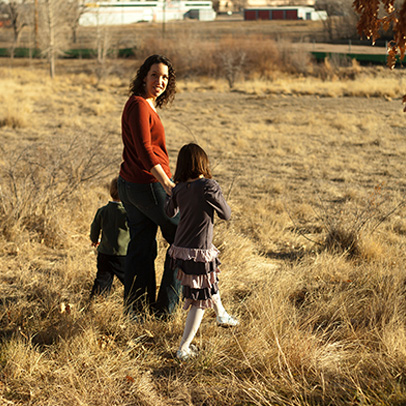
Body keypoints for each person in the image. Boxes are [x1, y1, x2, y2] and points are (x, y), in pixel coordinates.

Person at [117, 54, 180, 319]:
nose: (160, 81)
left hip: (131, 185)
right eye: (154, 74)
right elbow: (144, 149)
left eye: (165, 77)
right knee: (183, 240)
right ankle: (165, 311)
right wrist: (166, 182)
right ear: (144, 76)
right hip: (149, 185)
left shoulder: (143, 105)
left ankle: (136, 311)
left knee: (141, 246)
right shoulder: (141, 106)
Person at [165, 143, 239, 361]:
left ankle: (222, 315)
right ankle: (184, 348)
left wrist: (171, 191)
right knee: (199, 299)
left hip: (181, 248)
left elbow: (169, 212)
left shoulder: (179, 189)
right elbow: (226, 214)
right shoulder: (208, 185)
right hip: (199, 249)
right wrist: (215, 192)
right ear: (202, 162)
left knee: (207, 283)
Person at [89, 177, 130, 298]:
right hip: (123, 254)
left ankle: (96, 302)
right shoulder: (129, 213)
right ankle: (134, 303)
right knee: (129, 281)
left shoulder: (102, 211)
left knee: (102, 280)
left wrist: (94, 240)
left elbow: (94, 228)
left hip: (104, 252)